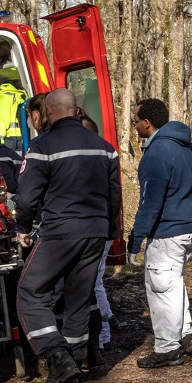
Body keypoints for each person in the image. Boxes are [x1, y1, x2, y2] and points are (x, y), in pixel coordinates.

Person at [15, 88, 121, 383]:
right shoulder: (105, 148)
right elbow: (115, 195)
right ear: (76, 111)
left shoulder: (41, 146)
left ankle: (57, 358)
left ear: (47, 114)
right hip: (95, 232)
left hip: (60, 232)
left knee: (29, 292)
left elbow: (26, 197)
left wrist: (23, 228)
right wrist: (110, 231)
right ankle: (73, 368)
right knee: (79, 299)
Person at [128, 98, 192, 369]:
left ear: (147, 123)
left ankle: (167, 348)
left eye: (135, 120)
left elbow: (151, 202)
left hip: (169, 230)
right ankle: (186, 334)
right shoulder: (181, 144)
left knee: (161, 287)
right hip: (188, 225)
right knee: (173, 282)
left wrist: (136, 238)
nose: (134, 125)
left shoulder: (157, 153)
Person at [80, 116, 116, 363]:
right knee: (97, 281)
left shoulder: (89, 159)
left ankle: (102, 335)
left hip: (92, 228)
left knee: (93, 283)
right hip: (102, 227)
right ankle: (106, 325)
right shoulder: (105, 154)